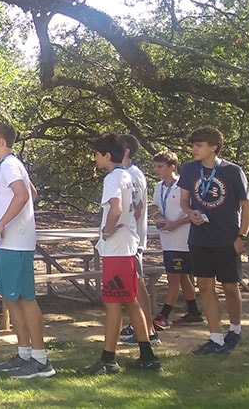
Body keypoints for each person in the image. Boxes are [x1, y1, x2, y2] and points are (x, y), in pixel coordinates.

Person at [81, 133, 161, 374]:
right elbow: (138, 207)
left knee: (113, 302)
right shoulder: (130, 176)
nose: (95, 158)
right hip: (128, 244)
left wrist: (106, 231)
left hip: (116, 248)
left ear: (107, 156)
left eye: (96, 154)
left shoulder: (113, 178)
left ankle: (108, 359)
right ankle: (147, 356)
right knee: (129, 300)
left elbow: (115, 209)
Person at [0, 122, 54, 378]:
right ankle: (24, 353)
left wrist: (2, 222)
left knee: (25, 298)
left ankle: (41, 359)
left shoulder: (11, 165)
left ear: (1, 141)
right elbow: (31, 192)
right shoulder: (10, 165)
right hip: (10, 242)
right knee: (12, 297)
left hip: (16, 243)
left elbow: (23, 195)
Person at [179, 126, 249, 355]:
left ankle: (235, 329)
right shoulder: (190, 169)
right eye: (192, 145)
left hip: (227, 238)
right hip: (200, 238)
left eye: (198, 146)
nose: (193, 149)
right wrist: (190, 213)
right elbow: (184, 201)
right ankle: (216, 337)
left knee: (230, 286)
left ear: (213, 147)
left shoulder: (232, 171)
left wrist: (241, 237)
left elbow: (247, 205)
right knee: (204, 286)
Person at [150, 150, 203, 328]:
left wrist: (176, 223)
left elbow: (194, 213)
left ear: (172, 167)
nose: (157, 170)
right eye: (155, 166)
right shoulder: (158, 187)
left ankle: (163, 315)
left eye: (160, 167)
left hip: (182, 239)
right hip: (167, 238)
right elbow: (155, 205)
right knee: (181, 277)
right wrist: (157, 218)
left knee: (173, 277)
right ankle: (194, 312)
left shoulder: (184, 185)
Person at [119, 134, 160, 345]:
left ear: (125, 151)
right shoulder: (126, 173)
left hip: (132, 240)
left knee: (137, 283)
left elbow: (137, 208)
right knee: (133, 283)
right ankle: (141, 325)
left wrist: (124, 229)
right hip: (130, 239)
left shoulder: (132, 174)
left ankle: (149, 331)